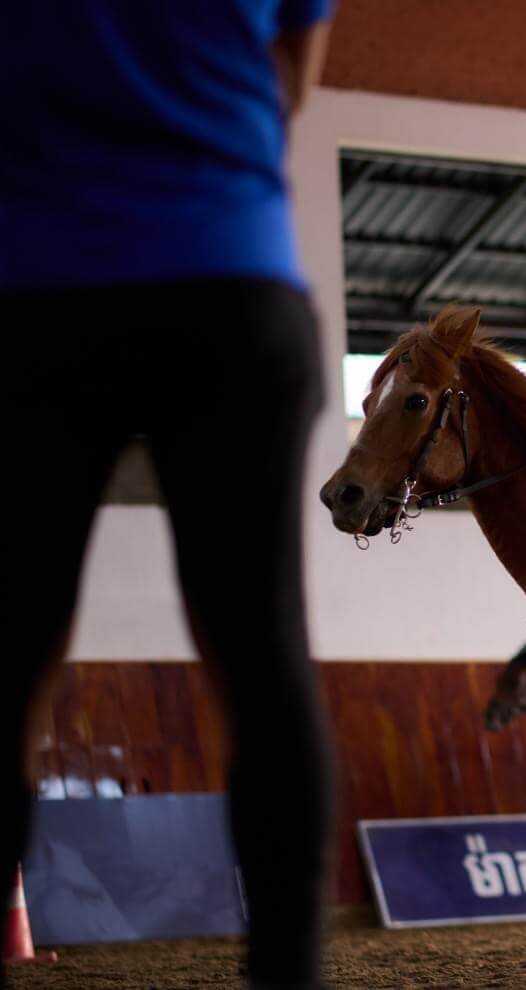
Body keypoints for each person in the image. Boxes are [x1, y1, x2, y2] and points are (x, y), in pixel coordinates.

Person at [1, 4, 336, 986]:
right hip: (230, 274)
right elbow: (295, 84)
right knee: (263, 653)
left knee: (11, 654)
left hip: (36, 283)